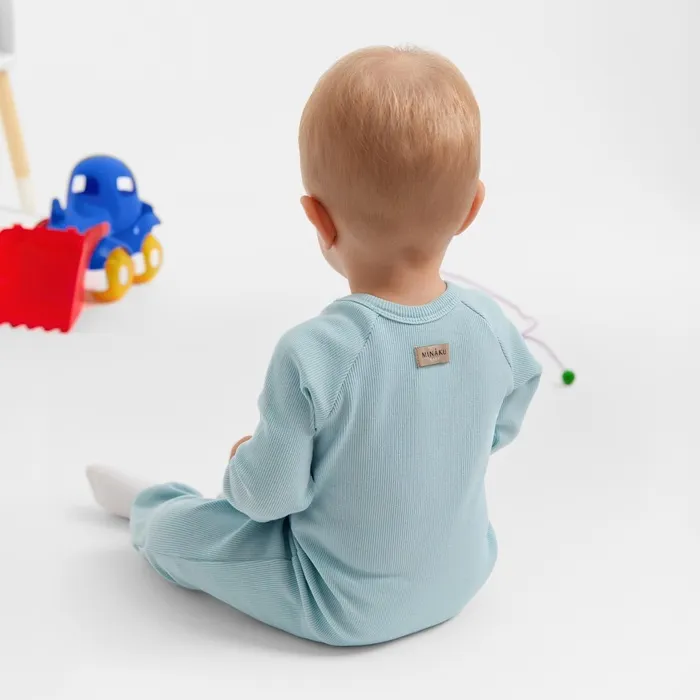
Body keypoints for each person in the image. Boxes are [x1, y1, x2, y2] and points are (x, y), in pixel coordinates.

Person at [87, 46, 542, 647]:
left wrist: (243, 462)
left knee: (190, 536)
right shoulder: (489, 326)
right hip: (465, 574)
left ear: (319, 220)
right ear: (471, 209)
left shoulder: (317, 352)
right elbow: (507, 411)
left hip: (339, 602)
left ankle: (152, 508)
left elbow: (268, 499)